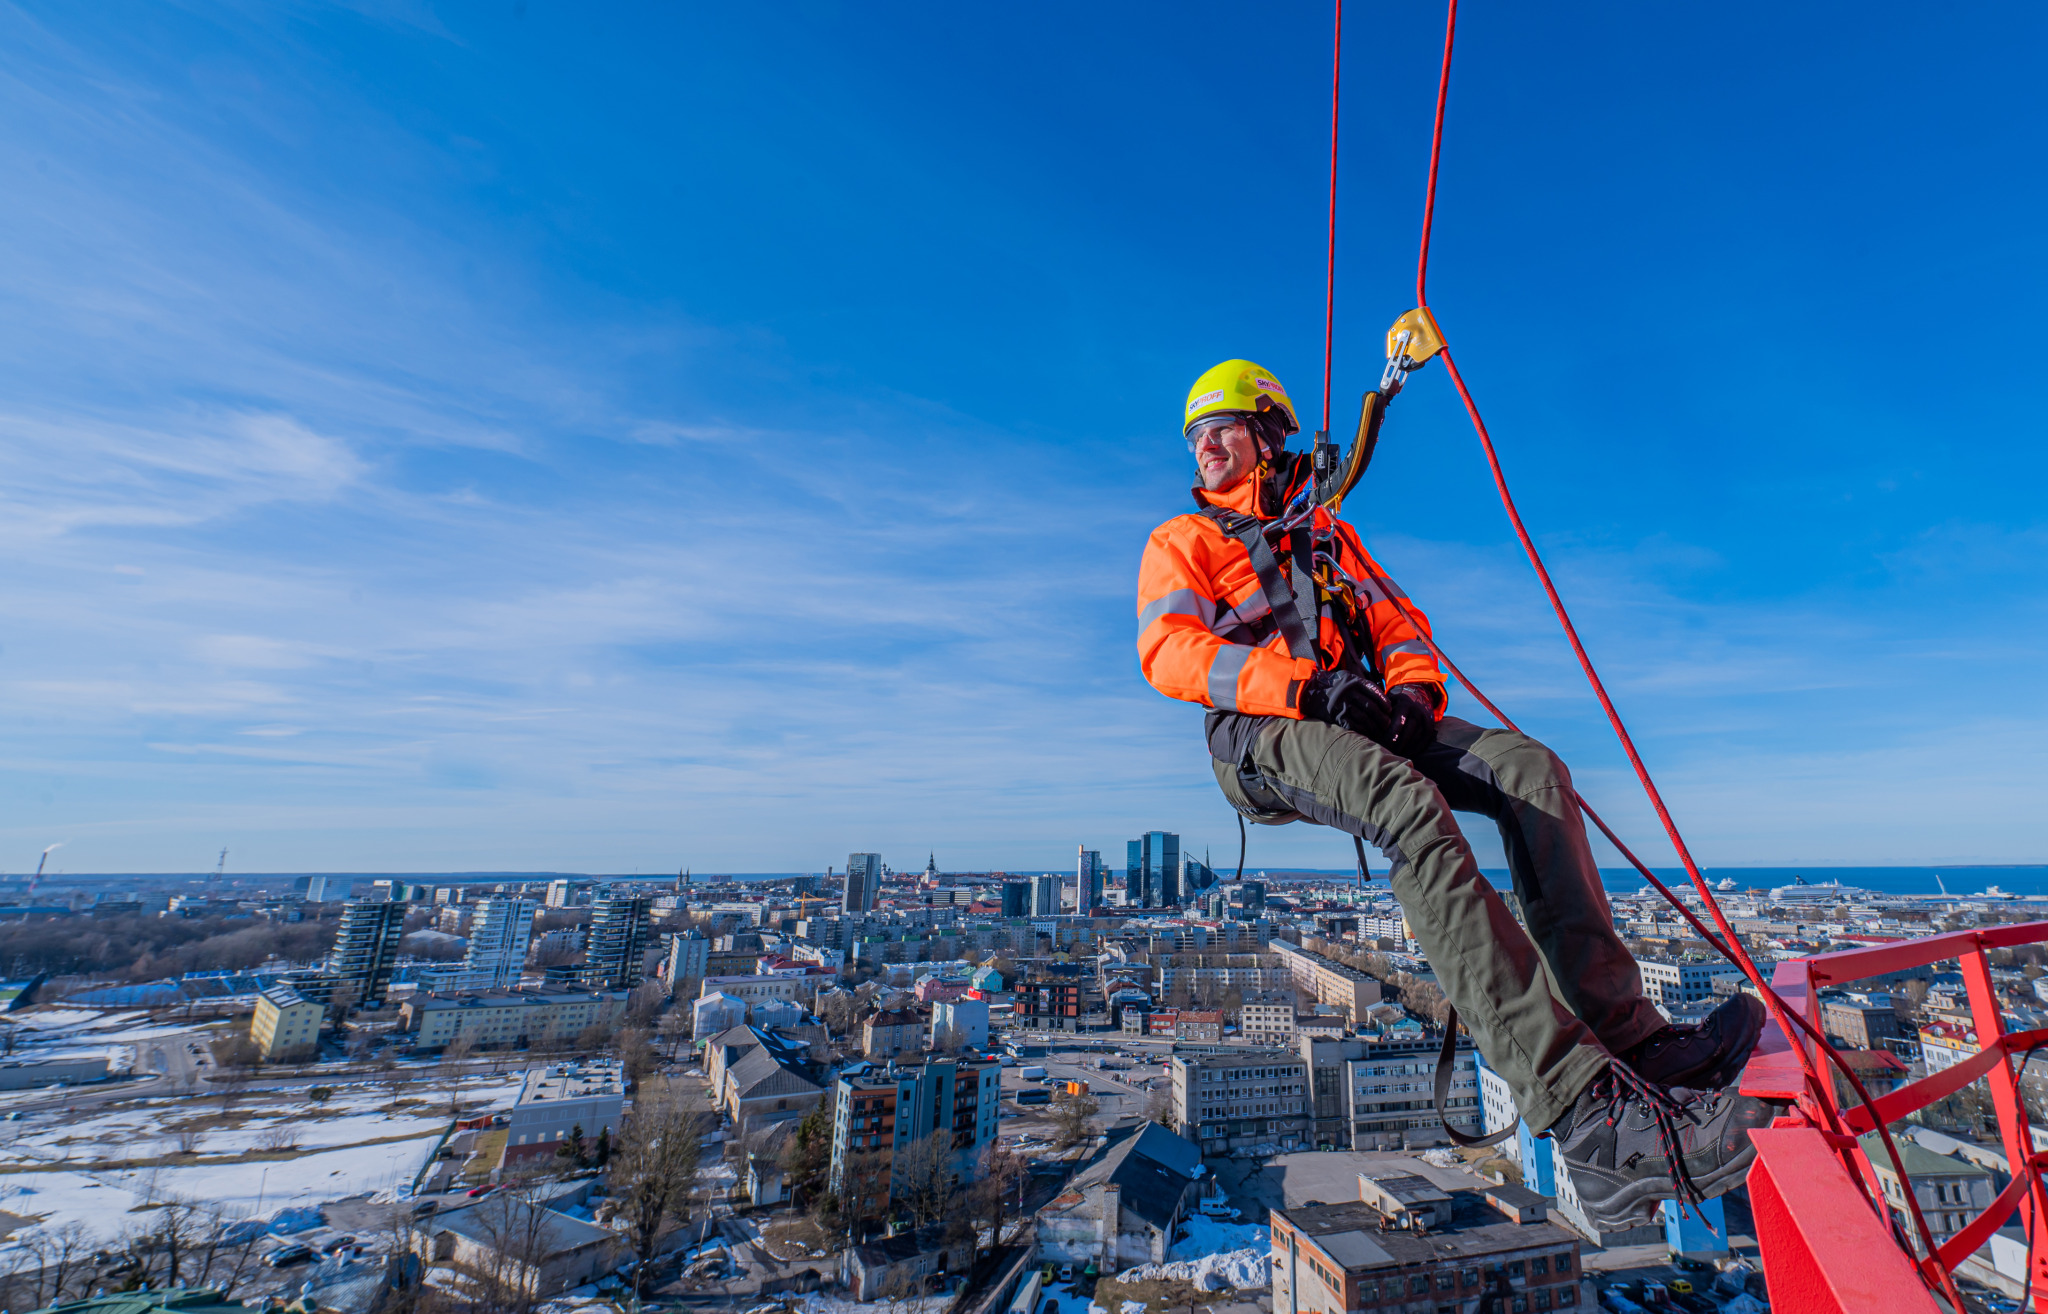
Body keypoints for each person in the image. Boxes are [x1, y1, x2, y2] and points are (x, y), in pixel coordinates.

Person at [1135, 359, 1776, 1227]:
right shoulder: (1186, 538)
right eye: (1196, 434)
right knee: (1404, 804)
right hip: (1262, 734)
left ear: (1271, 434)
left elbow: (1399, 627)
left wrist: (1410, 693)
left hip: (1352, 718)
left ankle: (1630, 1039)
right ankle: (1585, 1117)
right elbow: (1171, 652)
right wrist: (1303, 689)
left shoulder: (1329, 539)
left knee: (1529, 770)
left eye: (1223, 427)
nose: (1205, 444)